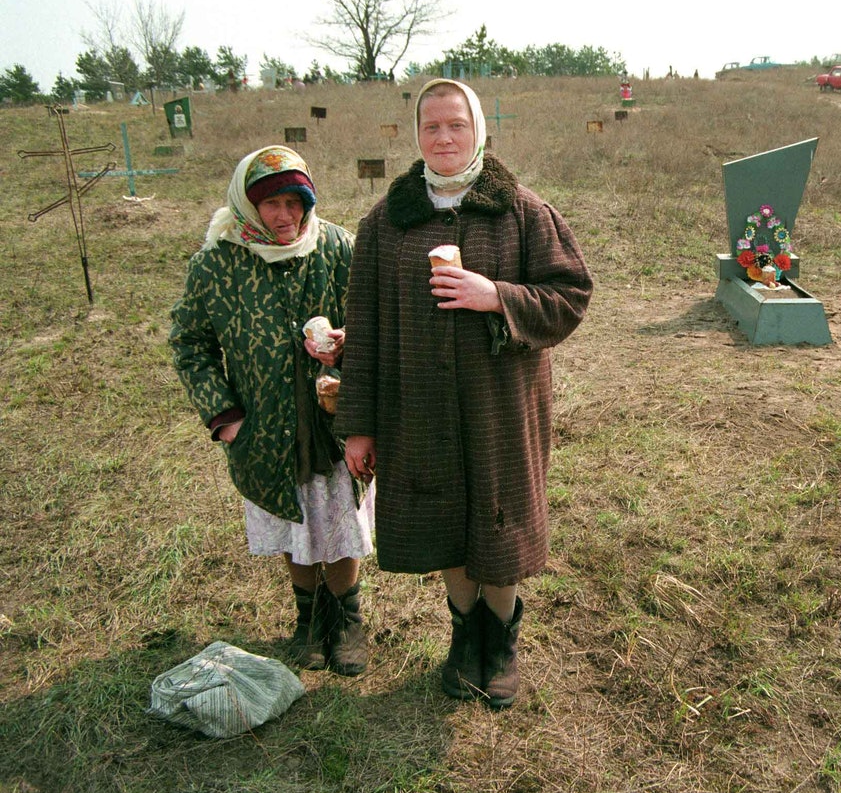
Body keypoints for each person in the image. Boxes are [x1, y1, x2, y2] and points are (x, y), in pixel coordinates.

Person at [336, 79, 593, 708]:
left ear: (478, 130)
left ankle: (500, 641)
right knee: (444, 518)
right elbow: (363, 329)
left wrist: (496, 296)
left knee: (499, 520)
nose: (444, 138)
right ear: (417, 135)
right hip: (417, 407)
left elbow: (570, 296)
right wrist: (359, 426)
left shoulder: (522, 211)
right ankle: (463, 633)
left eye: (457, 124)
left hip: (500, 407)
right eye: (432, 127)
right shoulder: (386, 222)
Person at [170, 146, 372, 676]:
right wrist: (226, 418)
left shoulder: (336, 247)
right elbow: (189, 342)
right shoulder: (216, 264)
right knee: (292, 518)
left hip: (333, 418)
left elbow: (373, 320)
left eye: (295, 203)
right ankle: (309, 618)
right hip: (264, 424)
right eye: (272, 204)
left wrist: (347, 343)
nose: (286, 217)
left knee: (337, 515)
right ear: (247, 205)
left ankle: (346, 619)